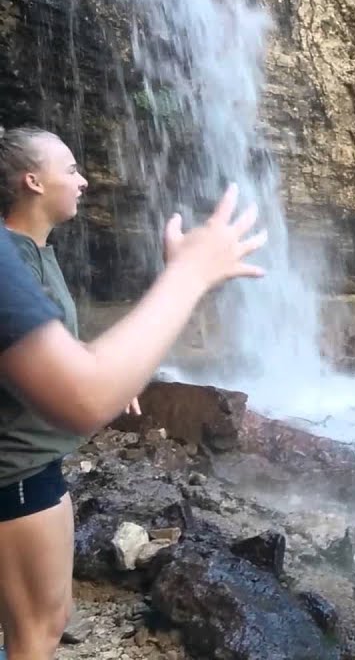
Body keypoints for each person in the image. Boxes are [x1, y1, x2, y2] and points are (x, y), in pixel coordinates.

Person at [0, 124, 267, 660]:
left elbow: (43, 356)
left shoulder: (30, 254)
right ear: (32, 180)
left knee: (39, 620)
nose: (85, 180)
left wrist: (104, 374)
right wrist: (190, 272)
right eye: (71, 168)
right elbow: (78, 393)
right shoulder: (10, 253)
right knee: (39, 626)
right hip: (19, 472)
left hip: (27, 465)